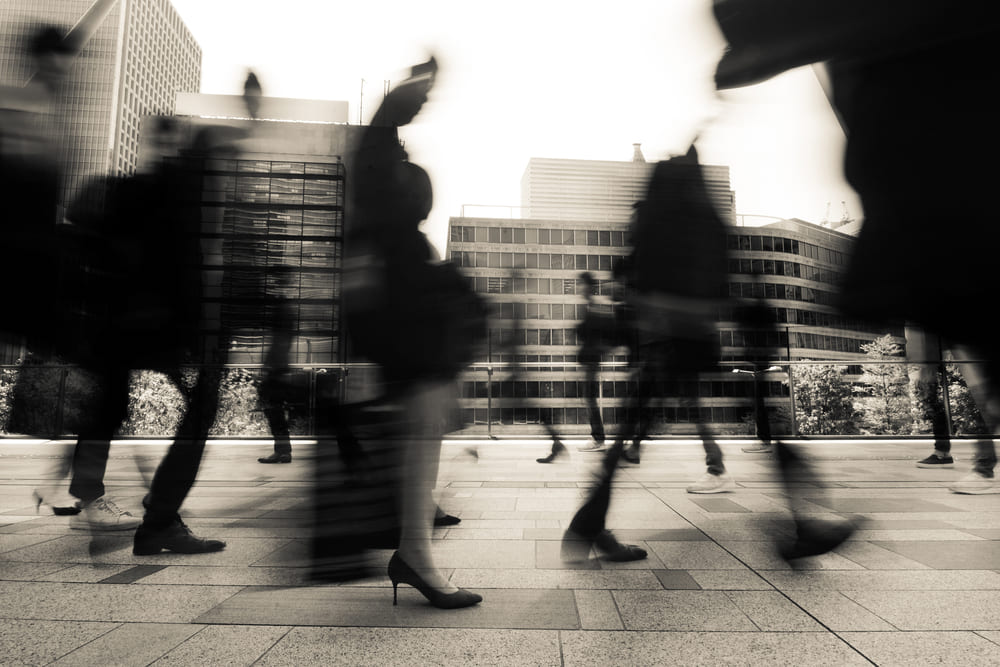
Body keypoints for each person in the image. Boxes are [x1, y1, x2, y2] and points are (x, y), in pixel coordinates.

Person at [344, 56, 483, 607]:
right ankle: (414, 552)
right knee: (422, 421)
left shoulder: (389, 215)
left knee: (422, 424)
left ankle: (413, 546)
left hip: (401, 307)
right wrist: (409, 93)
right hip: (398, 310)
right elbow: (374, 138)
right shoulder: (378, 182)